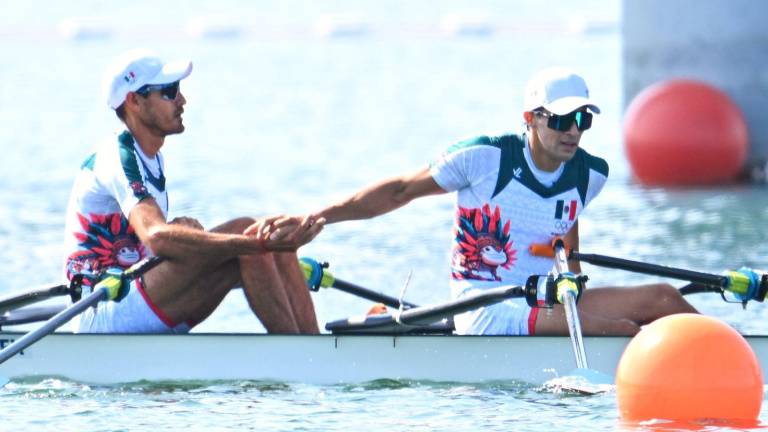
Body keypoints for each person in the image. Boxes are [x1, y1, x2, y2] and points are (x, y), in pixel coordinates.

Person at [302, 67, 699, 336]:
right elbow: (399, 190)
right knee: (617, 330)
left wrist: (573, 278)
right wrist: (317, 217)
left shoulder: (590, 173)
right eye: (561, 120)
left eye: (583, 120)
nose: (573, 131)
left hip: (547, 299)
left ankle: (744, 354)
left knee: (664, 298)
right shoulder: (484, 158)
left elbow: (566, 226)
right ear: (530, 118)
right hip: (482, 308)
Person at [63, 49, 324, 334]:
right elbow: (155, 236)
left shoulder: (151, 157)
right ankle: (297, 356)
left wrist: (265, 246)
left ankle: (313, 348)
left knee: (268, 239)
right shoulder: (118, 157)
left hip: (133, 296)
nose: (182, 100)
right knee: (249, 235)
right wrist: (255, 245)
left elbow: (149, 239)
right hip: (103, 311)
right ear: (134, 101)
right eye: (169, 91)